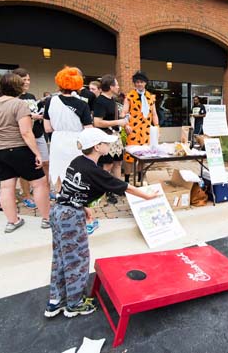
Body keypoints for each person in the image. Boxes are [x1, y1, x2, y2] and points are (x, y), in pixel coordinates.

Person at [44, 128, 159, 319]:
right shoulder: (95, 170)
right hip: (70, 217)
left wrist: (83, 206)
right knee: (77, 259)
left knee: (61, 257)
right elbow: (123, 186)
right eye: (105, 143)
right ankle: (74, 304)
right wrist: (147, 195)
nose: (109, 145)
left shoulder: (77, 161)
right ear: (97, 147)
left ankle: (56, 301)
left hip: (59, 210)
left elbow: (72, 187)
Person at [0, 73, 51, 232]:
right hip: (17, 148)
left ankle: (12, 221)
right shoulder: (19, 104)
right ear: (18, 87)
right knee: (39, 183)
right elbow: (26, 132)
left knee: (6, 186)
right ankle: (47, 219)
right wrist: (37, 153)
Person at [45, 67, 93, 191]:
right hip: (76, 140)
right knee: (76, 172)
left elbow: (47, 128)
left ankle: (60, 196)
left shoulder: (50, 101)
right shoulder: (82, 104)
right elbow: (89, 129)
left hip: (57, 140)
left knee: (59, 172)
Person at [14, 68, 52, 210]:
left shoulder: (30, 96)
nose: (27, 82)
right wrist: (31, 116)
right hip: (23, 136)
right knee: (26, 167)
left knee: (46, 162)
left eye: (28, 79)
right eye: (24, 80)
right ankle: (27, 196)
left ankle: (46, 190)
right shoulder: (14, 98)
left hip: (38, 133)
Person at [93, 74, 127, 205]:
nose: (118, 87)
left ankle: (118, 188)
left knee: (117, 163)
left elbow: (114, 119)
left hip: (115, 137)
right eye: (116, 85)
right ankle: (107, 191)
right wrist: (118, 122)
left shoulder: (112, 100)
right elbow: (97, 122)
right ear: (111, 86)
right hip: (105, 138)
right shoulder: (100, 101)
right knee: (107, 165)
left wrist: (124, 125)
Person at [122, 70, 159, 184]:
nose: (139, 84)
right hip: (132, 131)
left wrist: (157, 127)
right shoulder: (129, 96)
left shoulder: (150, 97)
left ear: (145, 83)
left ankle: (140, 179)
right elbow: (123, 113)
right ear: (134, 83)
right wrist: (126, 125)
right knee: (129, 157)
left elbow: (154, 114)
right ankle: (127, 180)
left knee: (144, 156)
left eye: (141, 82)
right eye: (137, 82)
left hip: (146, 131)